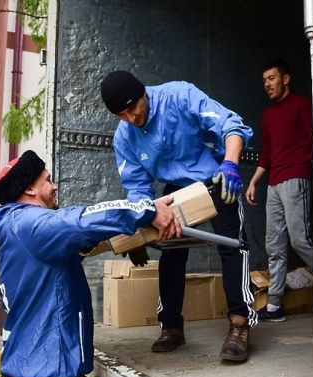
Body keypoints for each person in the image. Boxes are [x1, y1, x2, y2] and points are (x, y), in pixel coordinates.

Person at [0, 150, 179, 377]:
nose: (54, 186)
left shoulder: (16, 227)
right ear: (29, 188)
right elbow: (79, 220)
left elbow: (59, 253)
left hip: (31, 374)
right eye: (47, 180)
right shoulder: (31, 224)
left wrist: (94, 243)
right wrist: (147, 210)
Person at [100, 70, 257, 361]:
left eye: (133, 109)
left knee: (233, 245)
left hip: (215, 178)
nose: (132, 118)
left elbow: (231, 125)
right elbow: (137, 188)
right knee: (171, 253)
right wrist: (139, 231)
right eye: (122, 115)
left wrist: (231, 164)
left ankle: (239, 324)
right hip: (174, 189)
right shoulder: (125, 137)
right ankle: (171, 326)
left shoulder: (179, 96)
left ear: (143, 93)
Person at [245, 59, 313, 322]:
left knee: (301, 240)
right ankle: (274, 306)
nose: (267, 84)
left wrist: (308, 167)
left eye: (272, 78)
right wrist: (254, 181)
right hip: (274, 183)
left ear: (286, 79)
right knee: (274, 245)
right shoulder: (268, 116)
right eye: (264, 80)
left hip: (296, 178)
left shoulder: (302, 105)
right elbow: (267, 153)